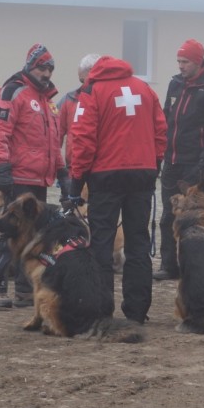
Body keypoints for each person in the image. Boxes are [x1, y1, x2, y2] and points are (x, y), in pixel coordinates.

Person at [67, 55, 166, 324]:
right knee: (138, 242)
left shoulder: (92, 92)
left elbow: (83, 140)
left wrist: (76, 181)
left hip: (106, 176)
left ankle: (101, 310)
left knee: (101, 244)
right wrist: (153, 164)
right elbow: (160, 131)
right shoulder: (145, 89)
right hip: (142, 175)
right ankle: (137, 311)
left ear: (90, 73)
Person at [0, 44, 68, 310]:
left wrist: (62, 171)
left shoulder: (48, 100)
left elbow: (53, 141)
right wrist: (3, 168)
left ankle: (24, 289)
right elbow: (0, 131)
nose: (46, 73)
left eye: (49, 69)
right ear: (30, 66)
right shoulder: (14, 91)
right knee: (10, 233)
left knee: (33, 236)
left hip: (40, 179)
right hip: (19, 175)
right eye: (42, 67)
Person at [155, 39, 204, 280]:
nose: (181, 66)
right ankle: (168, 264)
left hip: (194, 164)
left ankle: (193, 260)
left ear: (197, 62)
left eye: (185, 62)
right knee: (167, 216)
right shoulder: (175, 85)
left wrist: (202, 167)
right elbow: (165, 119)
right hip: (172, 162)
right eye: (179, 61)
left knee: (194, 217)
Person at [58, 53, 101, 170]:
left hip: (102, 168)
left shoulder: (109, 99)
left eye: (85, 80)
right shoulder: (69, 99)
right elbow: (55, 134)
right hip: (73, 167)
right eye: (81, 81)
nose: (84, 85)